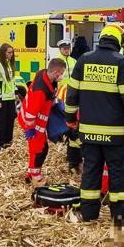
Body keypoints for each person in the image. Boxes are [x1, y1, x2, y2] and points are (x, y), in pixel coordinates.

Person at [65, 24, 124, 225]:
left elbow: (71, 95)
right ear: (119, 42)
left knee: (90, 172)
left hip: (88, 133)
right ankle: (121, 217)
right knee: (118, 174)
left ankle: (89, 214)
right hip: (115, 135)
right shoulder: (123, 63)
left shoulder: (84, 60)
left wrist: (71, 120)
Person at [18, 58, 66, 184]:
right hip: (32, 123)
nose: (62, 76)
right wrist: (30, 129)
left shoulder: (44, 74)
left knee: (37, 149)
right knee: (40, 150)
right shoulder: (41, 91)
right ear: (56, 72)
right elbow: (30, 114)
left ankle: (30, 174)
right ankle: (36, 178)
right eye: (61, 73)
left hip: (35, 120)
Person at [56, 39, 82, 172]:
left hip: (73, 96)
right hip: (62, 95)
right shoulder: (56, 61)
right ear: (60, 48)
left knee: (72, 126)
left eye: (68, 48)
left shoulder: (73, 61)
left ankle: (72, 156)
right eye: (64, 48)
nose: (66, 50)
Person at [0, 43, 17, 151]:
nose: (11, 54)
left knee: (10, 121)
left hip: (10, 99)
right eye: (9, 52)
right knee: (1, 123)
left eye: (12, 52)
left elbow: (11, 82)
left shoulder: (9, 64)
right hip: (1, 99)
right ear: (3, 53)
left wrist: (15, 93)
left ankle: (7, 142)